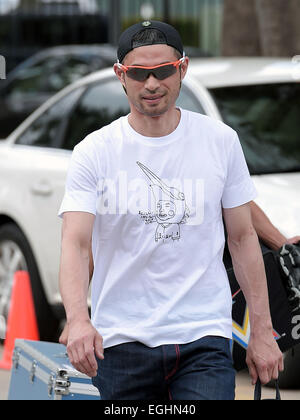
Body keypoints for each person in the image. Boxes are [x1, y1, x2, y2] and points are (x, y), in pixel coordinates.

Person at [58, 21, 283, 400]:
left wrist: (261, 329)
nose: (151, 84)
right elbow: (76, 244)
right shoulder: (94, 152)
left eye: (163, 71)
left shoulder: (220, 142)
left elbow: (243, 237)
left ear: (182, 68)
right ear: (120, 75)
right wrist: (78, 318)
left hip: (203, 337)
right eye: (139, 74)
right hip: (119, 342)